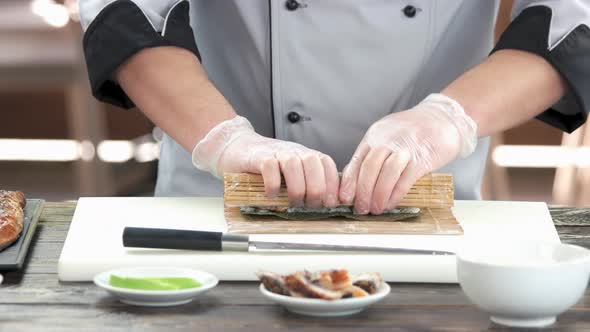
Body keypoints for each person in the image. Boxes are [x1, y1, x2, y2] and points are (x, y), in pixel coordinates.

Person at [79, 0, 589, 214]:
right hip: (218, 198)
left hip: (427, 203)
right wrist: (224, 139)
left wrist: (444, 121)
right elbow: (130, 12)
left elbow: (571, 18)